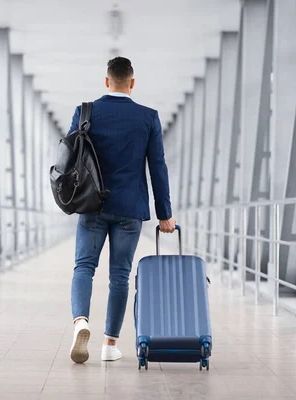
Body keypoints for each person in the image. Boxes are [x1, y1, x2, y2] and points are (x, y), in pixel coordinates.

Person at [68, 57, 176, 363]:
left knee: (84, 267)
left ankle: (80, 322)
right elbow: (158, 167)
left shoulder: (86, 112)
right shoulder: (148, 117)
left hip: (91, 204)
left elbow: (70, 155)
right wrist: (164, 213)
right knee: (120, 276)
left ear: (106, 81)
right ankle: (109, 345)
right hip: (130, 208)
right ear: (132, 83)